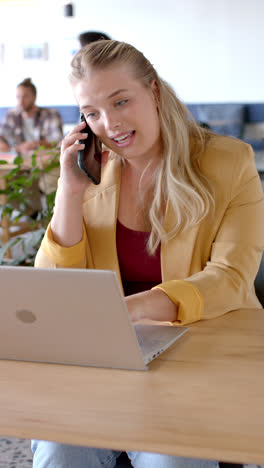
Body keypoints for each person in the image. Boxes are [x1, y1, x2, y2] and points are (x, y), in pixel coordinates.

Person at [32, 40, 264, 468]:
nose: (110, 123)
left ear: (154, 92)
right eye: (92, 113)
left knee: (171, 458)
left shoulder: (230, 163)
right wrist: (70, 190)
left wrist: (131, 309)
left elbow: (231, 277)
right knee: (57, 451)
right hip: (107, 367)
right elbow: (53, 287)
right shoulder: (94, 171)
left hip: (199, 360)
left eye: (121, 101)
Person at [0, 78, 64, 213]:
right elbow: (2, 141)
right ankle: (35, 218)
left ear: (34, 97)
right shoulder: (11, 115)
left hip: (45, 162)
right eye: (18, 97)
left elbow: (57, 141)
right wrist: (18, 148)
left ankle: (50, 218)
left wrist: (35, 144)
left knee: (50, 182)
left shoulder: (50, 114)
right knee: (5, 185)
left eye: (25, 96)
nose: (20, 101)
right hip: (19, 164)